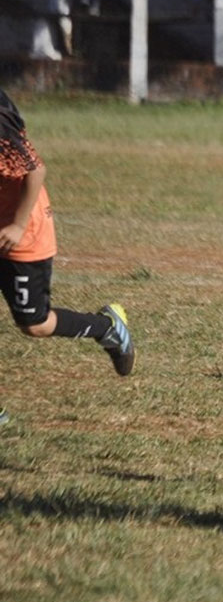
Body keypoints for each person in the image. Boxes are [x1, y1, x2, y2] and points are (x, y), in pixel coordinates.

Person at [0, 88, 134, 425]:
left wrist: (17, 224)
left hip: (20, 232)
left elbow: (36, 170)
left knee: (35, 323)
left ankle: (106, 327)